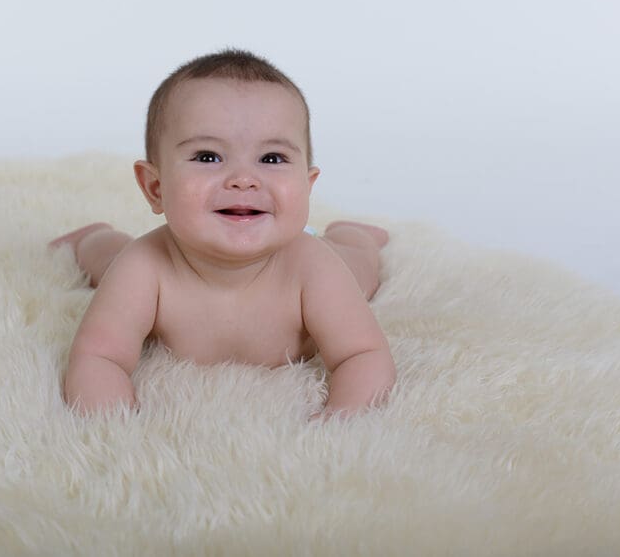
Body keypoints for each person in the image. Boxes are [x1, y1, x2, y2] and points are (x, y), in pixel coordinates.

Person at [53, 49, 396, 419]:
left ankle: (355, 234)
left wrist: (341, 421)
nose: (243, 179)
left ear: (307, 184)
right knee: (111, 259)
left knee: (359, 271)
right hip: (154, 255)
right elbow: (98, 357)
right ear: (155, 187)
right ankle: (93, 236)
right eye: (208, 157)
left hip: (322, 257)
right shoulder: (144, 266)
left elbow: (363, 356)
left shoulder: (314, 266)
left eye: (272, 158)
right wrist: (112, 425)